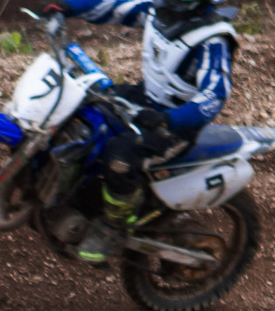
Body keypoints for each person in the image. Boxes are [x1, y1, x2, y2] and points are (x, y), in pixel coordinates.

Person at [56, 0, 240, 267]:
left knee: (119, 156)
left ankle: (114, 227)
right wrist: (65, 6)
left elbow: (213, 97)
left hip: (176, 125)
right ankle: (77, 194)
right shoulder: (159, 10)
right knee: (84, 109)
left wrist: (168, 119)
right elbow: (111, 6)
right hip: (146, 99)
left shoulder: (213, 39)